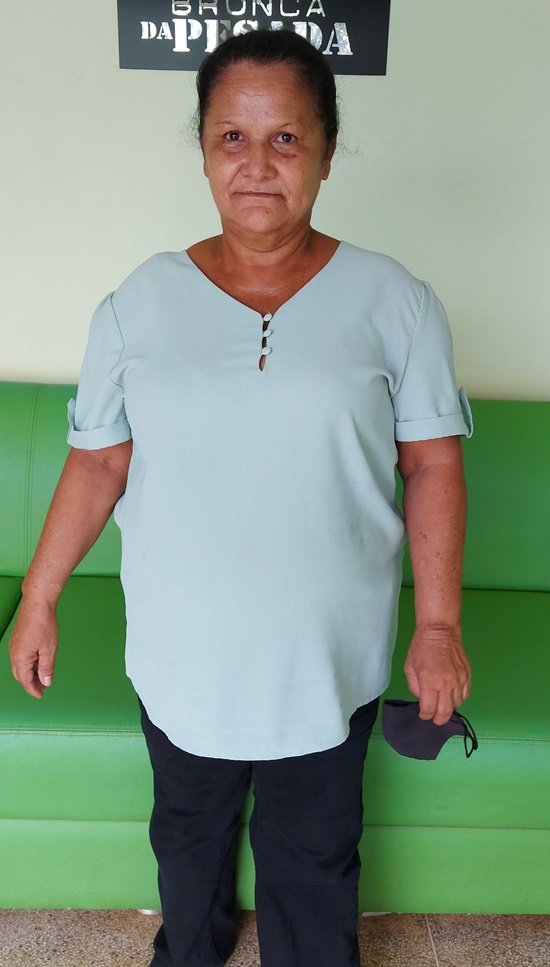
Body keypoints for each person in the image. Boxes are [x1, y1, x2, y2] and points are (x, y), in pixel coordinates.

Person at [9, 28, 473, 967]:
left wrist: (438, 624)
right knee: (187, 839)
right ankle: (191, 951)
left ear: (327, 152)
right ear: (204, 149)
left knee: (314, 852)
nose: (257, 165)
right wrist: (40, 594)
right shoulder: (139, 301)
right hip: (182, 655)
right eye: (232, 137)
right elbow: (98, 463)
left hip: (326, 657)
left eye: (286, 138)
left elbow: (431, 464)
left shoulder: (395, 300)